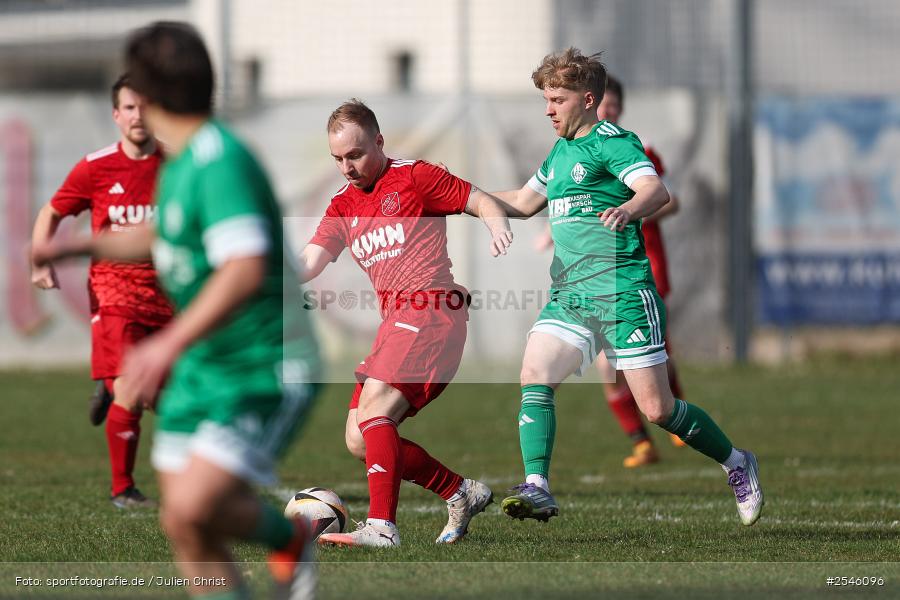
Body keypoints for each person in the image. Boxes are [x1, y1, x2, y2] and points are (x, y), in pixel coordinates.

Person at [33, 21, 321, 600]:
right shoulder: (183, 163)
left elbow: (243, 268)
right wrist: (79, 244)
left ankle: (288, 537)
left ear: (151, 93)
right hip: (204, 366)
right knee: (183, 521)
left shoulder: (220, 161)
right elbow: (160, 235)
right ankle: (288, 540)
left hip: (261, 362)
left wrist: (165, 342)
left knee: (196, 503)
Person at [492, 48, 763, 526]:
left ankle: (736, 462)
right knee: (535, 373)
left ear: (588, 98)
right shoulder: (559, 153)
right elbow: (521, 200)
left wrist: (628, 209)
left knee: (658, 409)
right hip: (573, 296)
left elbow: (656, 191)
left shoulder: (612, 140)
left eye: (557, 98)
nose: (548, 108)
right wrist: (455, 198)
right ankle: (536, 486)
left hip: (624, 293)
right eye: (545, 99)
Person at [299, 99, 513, 547]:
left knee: (375, 410)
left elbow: (478, 200)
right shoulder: (342, 205)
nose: (347, 167)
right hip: (396, 321)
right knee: (360, 438)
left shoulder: (415, 176)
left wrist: (496, 226)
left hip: (433, 310)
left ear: (378, 141)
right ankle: (460, 491)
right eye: (337, 159)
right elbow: (311, 260)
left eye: (355, 155)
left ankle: (382, 527)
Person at [30, 73, 172, 509]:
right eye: (129, 107)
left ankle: (111, 388)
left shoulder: (176, 165)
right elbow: (52, 212)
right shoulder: (96, 166)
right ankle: (123, 489)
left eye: (146, 106)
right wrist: (40, 260)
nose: (137, 115)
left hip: (166, 295)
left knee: (165, 400)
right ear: (116, 114)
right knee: (134, 388)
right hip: (113, 292)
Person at [536, 75, 688, 467]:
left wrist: (630, 210)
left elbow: (664, 196)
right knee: (605, 365)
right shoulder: (570, 150)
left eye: (615, 108)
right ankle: (641, 440)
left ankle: (674, 419)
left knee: (652, 362)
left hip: (637, 264)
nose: (610, 113)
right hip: (592, 279)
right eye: (608, 107)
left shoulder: (629, 146)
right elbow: (567, 200)